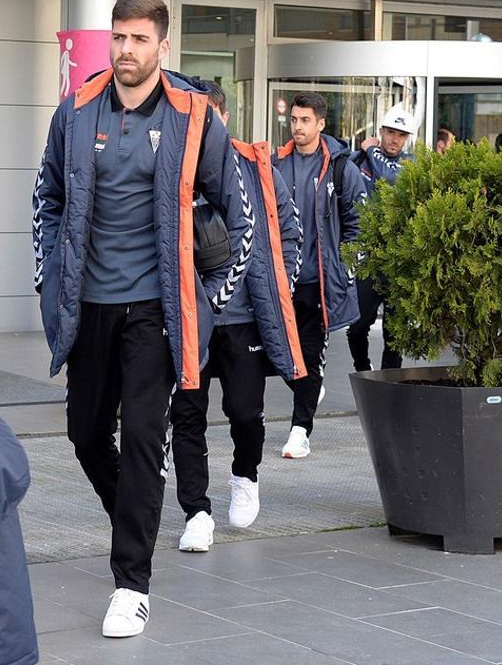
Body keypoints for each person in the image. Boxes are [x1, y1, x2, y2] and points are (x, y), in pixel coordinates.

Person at [33, 0, 253, 638]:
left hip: (157, 308)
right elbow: (46, 194)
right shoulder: (75, 110)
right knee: (84, 433)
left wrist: (208, 302)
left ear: (163, 46)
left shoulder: (194, 116)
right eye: (118, 38)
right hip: (87, 306)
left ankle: (132, 581)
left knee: (143, 440)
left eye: (138, 39)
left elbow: (237, 217)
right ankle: (136, 508)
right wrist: (48, 276)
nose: (125, 50)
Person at [173, 81, 304, 553]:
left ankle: (245, 475)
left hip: (245, 317)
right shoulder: (173, 165)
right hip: (190, 317)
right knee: (186, 415)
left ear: (221, 118)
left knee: (245, 413)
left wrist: (282, 282)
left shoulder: (255, 167)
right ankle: (197, 511)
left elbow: (289, 232)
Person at [272, 92, 366, 459]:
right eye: (294, 119)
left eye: (305, 120)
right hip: (281, 280)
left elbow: (358, 222)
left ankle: (300, 430)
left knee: (310, 355)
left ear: (321, 123)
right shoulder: (276, 163)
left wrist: (346, 267)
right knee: (278, 353)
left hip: (319, 282)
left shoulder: (341, 168)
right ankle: (310, 387)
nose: (297, 127)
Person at [346, 106, 416, 372]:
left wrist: (371, 149)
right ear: (381, 131)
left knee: (394, 333)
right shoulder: (359, 160)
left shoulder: (410, 164)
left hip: (398, 261)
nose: (394, 140)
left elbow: (388, 177)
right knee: (357, 327)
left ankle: (389, 385)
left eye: (401, 135)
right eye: (390, 132)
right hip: (367, 260)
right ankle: (363, 369)